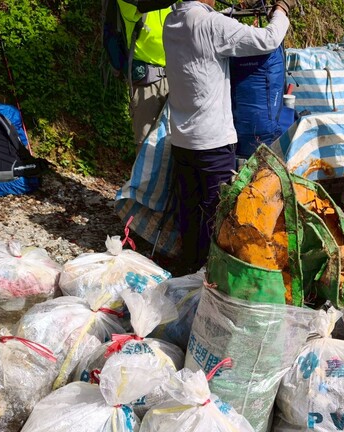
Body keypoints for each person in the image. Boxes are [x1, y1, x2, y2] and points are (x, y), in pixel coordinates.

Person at [163, 0, 296, 269]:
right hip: (212, 142)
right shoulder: (212, 25)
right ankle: (214, 277)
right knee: (218, 216)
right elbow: (268, 39)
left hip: (182, 138)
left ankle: (188, 271)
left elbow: (214, 24)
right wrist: (281, 10)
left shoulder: (172, 21)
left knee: (190, 213)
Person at [118, 0, 173, 147]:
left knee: (175, 142)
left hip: (174, 77)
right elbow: (146, 4)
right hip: (146, 81)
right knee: (146, 143)